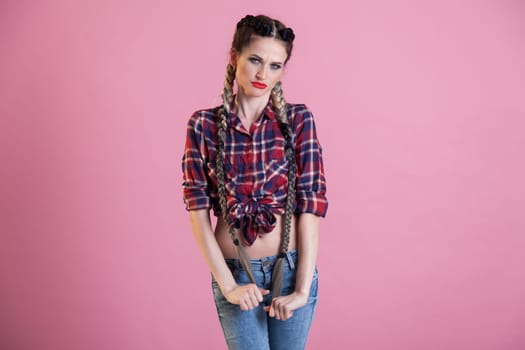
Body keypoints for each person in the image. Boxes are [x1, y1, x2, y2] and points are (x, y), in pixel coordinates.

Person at [182, 14, 328, 350]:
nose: (264, 75)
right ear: (235, 57)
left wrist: (302, 289)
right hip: (234, 272)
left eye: (276, 66)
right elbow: (197, 212)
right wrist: (228, 284)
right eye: (256, 60)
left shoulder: (298, 120)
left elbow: (311, 206)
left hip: (291, 270)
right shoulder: (203, 125)